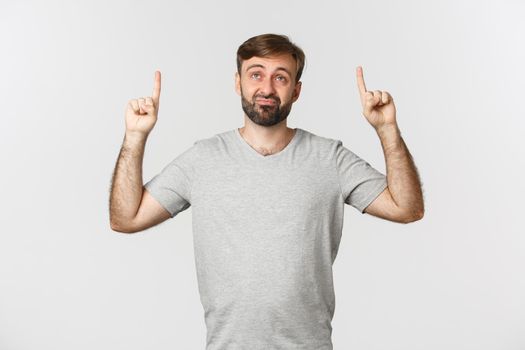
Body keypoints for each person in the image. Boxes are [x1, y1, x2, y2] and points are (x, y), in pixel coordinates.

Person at [109, 33, 424, 350]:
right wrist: (135, 137)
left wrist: (387, 129)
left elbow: (406, 208)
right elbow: (126, 218)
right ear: (238, 83)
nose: (267, 88)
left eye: (281, 78)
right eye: (256, 74)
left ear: (296, 90)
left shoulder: (330, 159)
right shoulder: (202, 159)